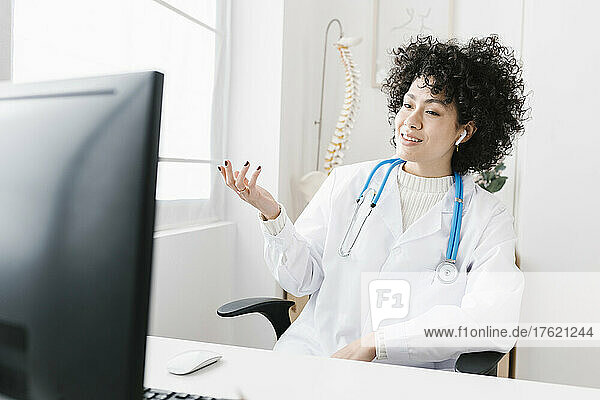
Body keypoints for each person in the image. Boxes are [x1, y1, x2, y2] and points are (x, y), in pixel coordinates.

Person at [216, 34, 530, 371]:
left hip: (410, 379)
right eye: (408, 104)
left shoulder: (486, 216)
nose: (411, 119)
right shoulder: (347, 182)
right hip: (318, 358)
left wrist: (377, 343)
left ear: (463, 132)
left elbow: (490, 319)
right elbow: (300, 281)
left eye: (433, 111)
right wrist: (273, 215)